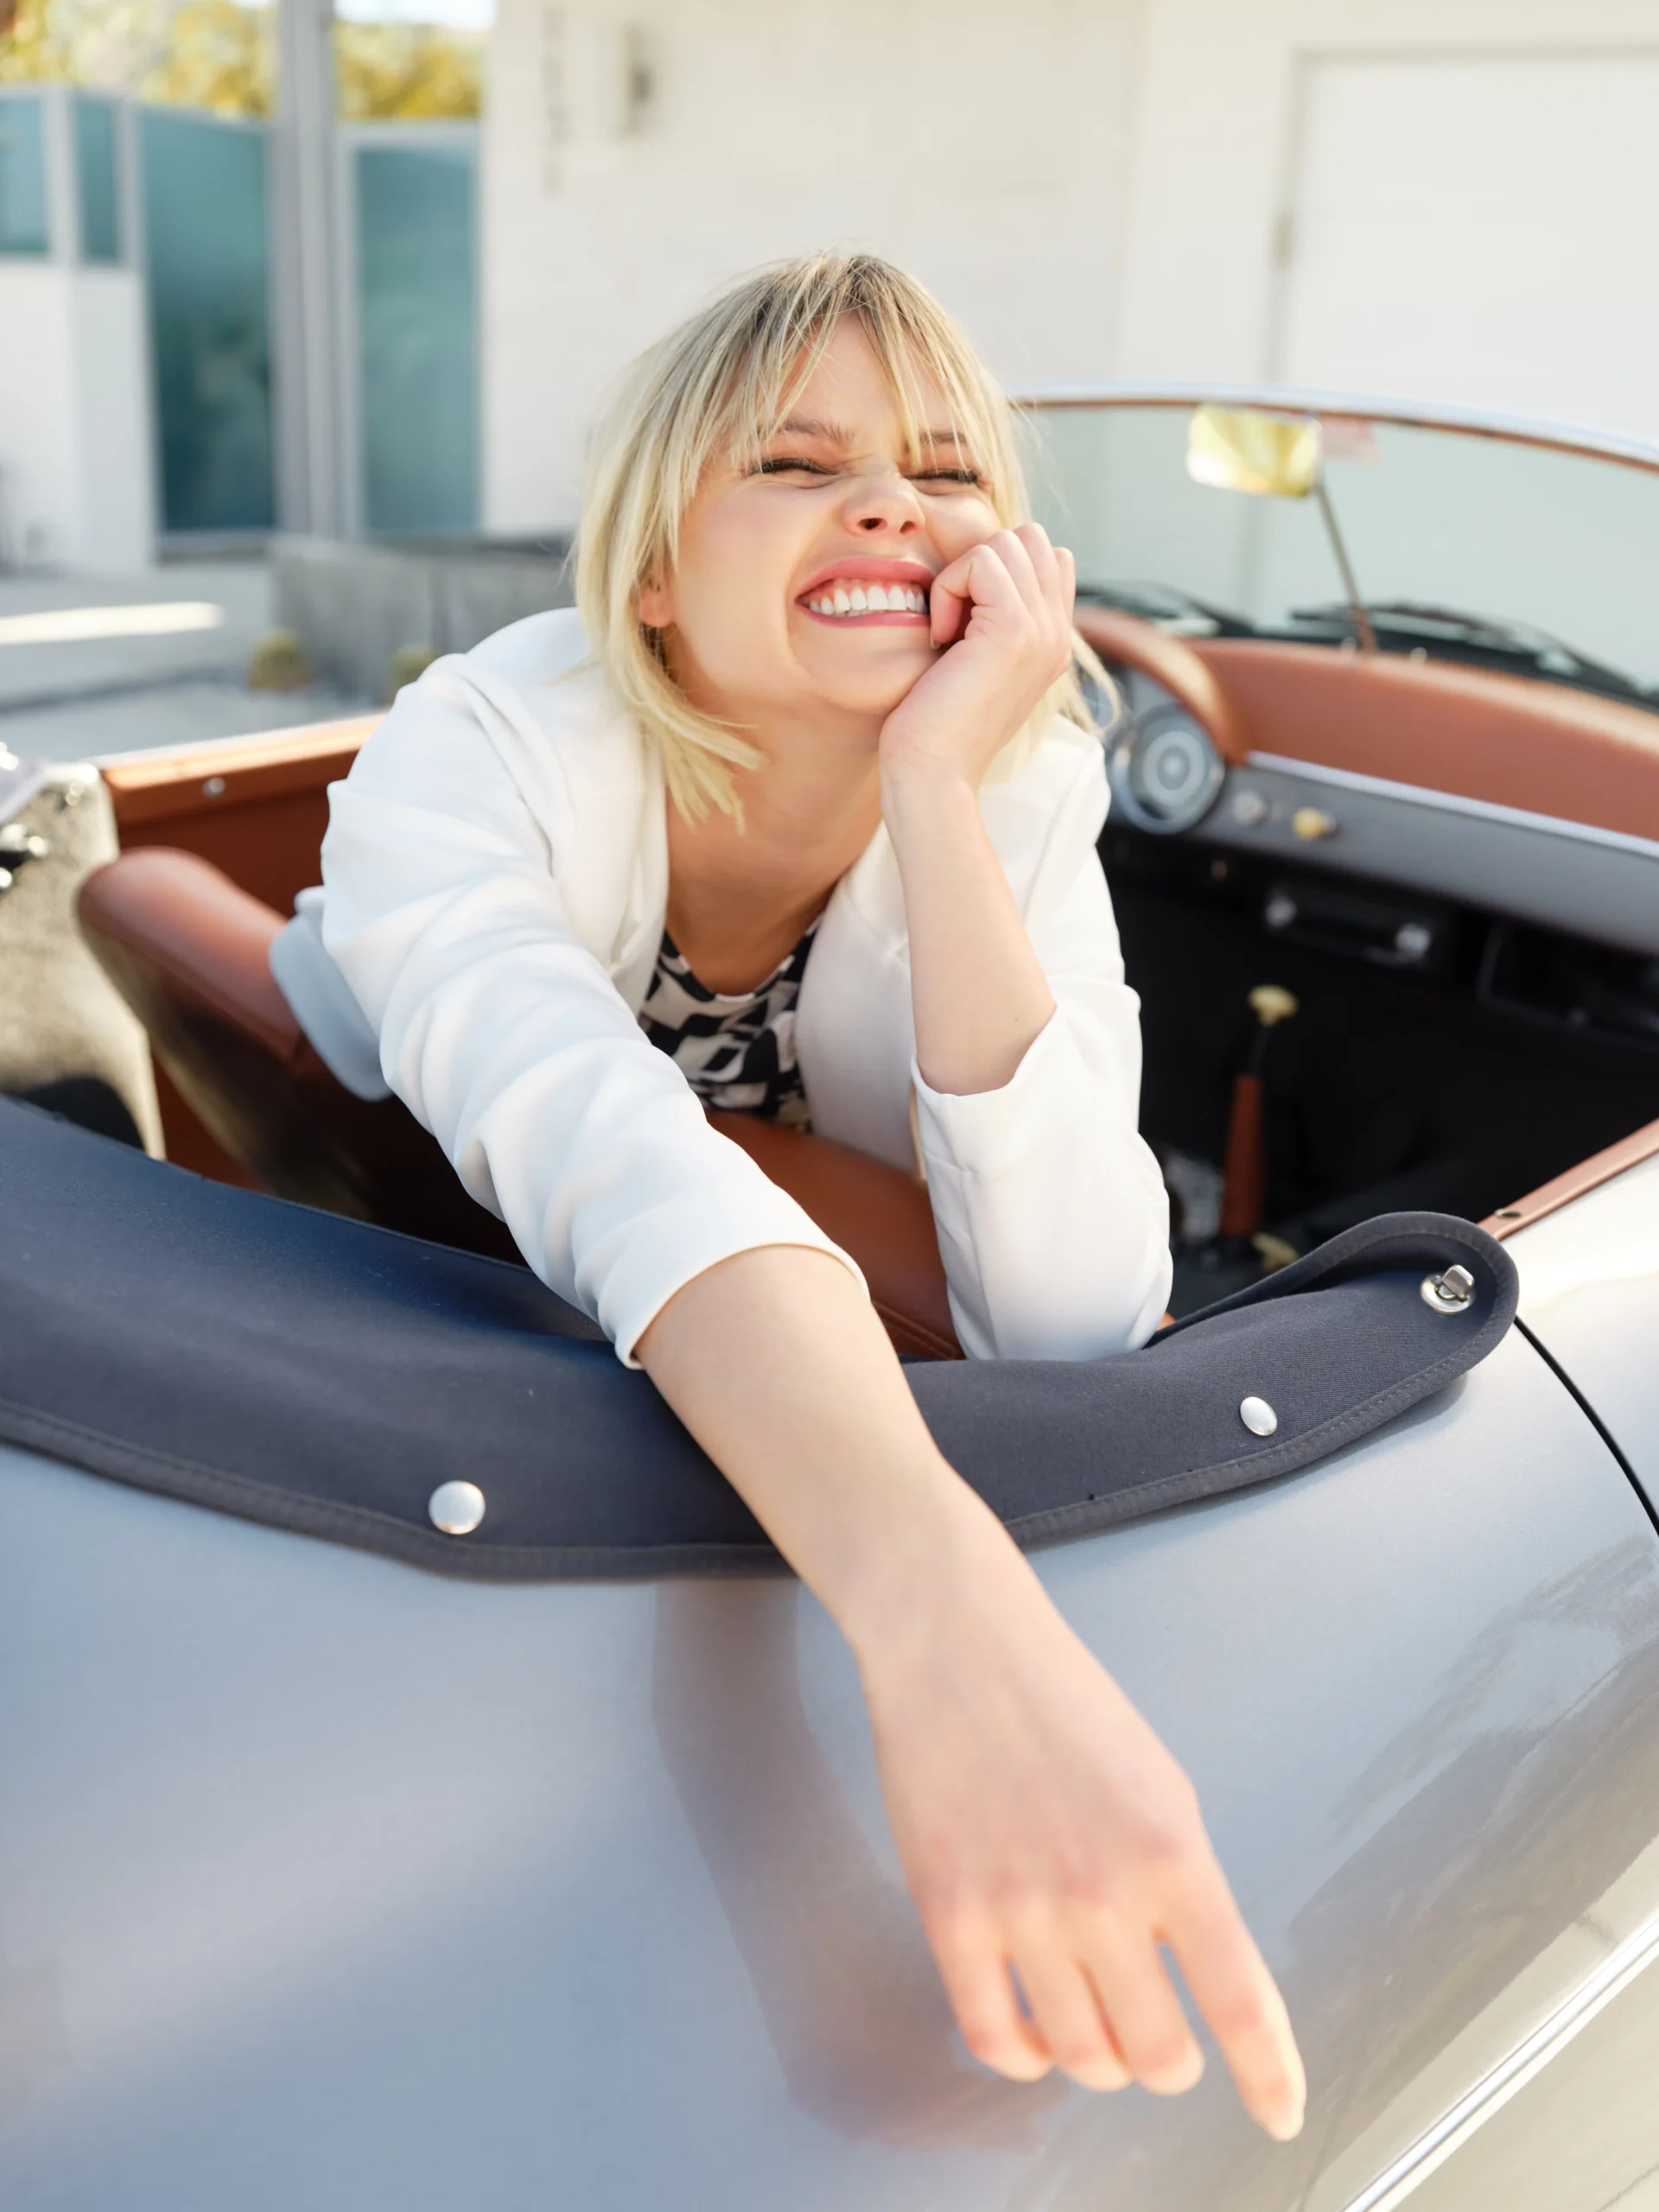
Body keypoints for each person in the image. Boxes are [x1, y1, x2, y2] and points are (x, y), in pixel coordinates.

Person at [321, 253, 1306, 2136]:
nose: (891, 502)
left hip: (787, 1235)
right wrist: (946, 1619)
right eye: (796, 460)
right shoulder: (472, 746)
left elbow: (1075, 1313)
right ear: (654, 578)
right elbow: (610, 1152)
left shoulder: (1015, 773)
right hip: (419, 1152)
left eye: (946, 469)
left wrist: (938, 786)